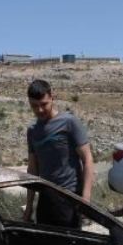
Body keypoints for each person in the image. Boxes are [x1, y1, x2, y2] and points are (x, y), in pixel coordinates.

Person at [23, 79, 94, 228]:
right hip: (45, 198)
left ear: (52, 99)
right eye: (34, 106)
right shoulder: (32, 131)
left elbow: (87, 159)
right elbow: (32, 170)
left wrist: (86, 198)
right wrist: (29, 205)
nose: (40, 110)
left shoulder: (69, 122)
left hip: (69, 197)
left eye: (43, 104)